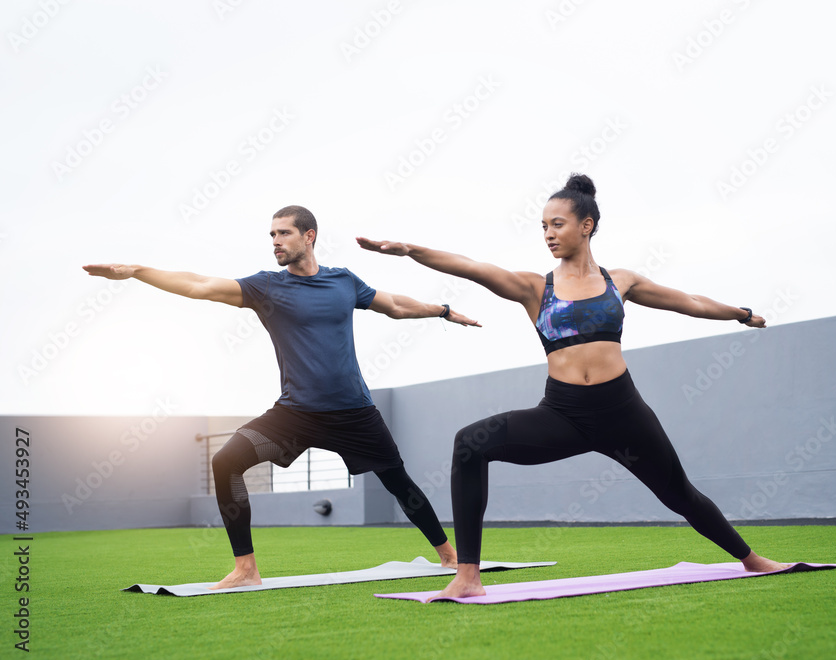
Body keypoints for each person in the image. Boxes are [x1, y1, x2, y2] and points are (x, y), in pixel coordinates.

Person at [357, 174, 787, 599]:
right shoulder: (534, 287)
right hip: (563, 415)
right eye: (543, 226)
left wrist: (740, 313)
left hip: (624, 414)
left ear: (586, 225)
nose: (548, 234)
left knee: (682, 496)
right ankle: (468, 575)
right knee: (470, 443)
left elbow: (689, 302)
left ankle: (750, 559)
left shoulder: (621, 282)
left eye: (557, 224)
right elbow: (472, 268)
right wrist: (410, 250)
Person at [84, 205, 477, 589]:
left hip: (354, 412)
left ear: (310, 236)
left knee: (397, 480)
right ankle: (245, 568)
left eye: (283, 232)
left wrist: (441, 310)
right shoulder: (267, 286)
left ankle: (448, 556)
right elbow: (200, 285)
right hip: (296, 414)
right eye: (271, 234)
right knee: (226, 461)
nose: (275, 241)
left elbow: (394, 305)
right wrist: (137, 272)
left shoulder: (343, 282)